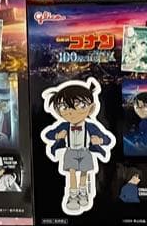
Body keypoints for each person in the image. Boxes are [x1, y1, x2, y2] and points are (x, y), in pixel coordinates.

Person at [40, 80, 114, 214]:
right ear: (58, 111)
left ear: (91, 108)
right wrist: (57, 136)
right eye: (64, 108)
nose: (72, 112)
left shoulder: (90, 126)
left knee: (84, 173)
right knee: (72, 173)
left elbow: (107, 139)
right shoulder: (64, 126)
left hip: (85, 152)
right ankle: (72, 196)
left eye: (80, 106)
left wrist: (100, 140)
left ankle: (83, 193)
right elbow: (48, 135)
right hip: (70, 152)